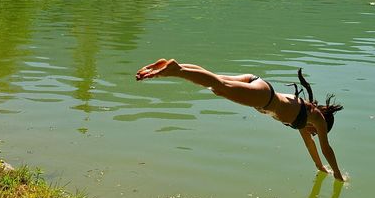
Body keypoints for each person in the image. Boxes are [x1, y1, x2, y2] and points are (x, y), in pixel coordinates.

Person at [136, 59, 345, 181]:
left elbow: (310, 145)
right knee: (220, 86)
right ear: (322, 123)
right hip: (264, 97)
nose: (314, 134)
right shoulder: (316, 117)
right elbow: (325, 147)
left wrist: (320, 167)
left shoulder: (303, 119)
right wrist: (337, 173)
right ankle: (176, 70)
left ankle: (176, 65)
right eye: (316, 132)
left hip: (258, 83)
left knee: (216, 84)